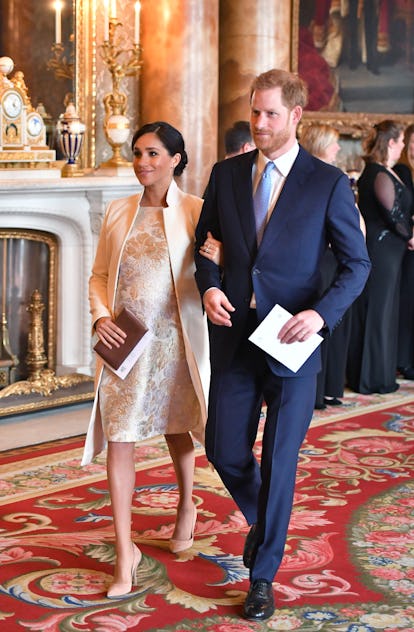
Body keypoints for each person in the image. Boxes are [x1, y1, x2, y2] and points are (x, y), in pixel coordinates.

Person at [194, 68, 371, 622]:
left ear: (296, 116)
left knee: (279, 460)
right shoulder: (225, 176)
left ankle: (262, 578)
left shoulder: (326, 182)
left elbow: (357, 263)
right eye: (255, 112)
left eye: (271, 113)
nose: (260, 123)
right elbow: (206, 247)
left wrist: (319, 315)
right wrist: (209, 288)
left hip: (295, 340)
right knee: (223, 448)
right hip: (235, 337)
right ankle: (264, 526)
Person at [81, 121, 211, 599]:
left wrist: (218, 256)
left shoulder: (197, 211)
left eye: (153, 154)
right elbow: (98, 276)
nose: (142, 162)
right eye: (138, 153)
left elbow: (216, 270)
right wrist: (99, 317)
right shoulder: (118, 211)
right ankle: (124, 555)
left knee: (178, 426)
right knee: (120, 437)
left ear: (176, 159)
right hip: (125, 345)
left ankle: (185, 506)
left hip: (176, 343)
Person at [300, 123, 365, 409]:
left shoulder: (333, 178)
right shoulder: (325, 179)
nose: (339, 148)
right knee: (318, 322)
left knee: (329, 321)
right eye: (335, 143)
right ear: (322, 143)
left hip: (334, 259)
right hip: (323, 260)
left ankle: (327, 388)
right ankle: (317, 390)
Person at [347, 120, 414, 394]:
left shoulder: (389, 171)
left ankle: (382, 373)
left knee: (386, 311)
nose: (402, 148)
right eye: (400, 142)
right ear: (390, 143)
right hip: (381, 250)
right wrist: (410, 234)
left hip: (392, 251)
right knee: (377, 310)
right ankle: (371, 377)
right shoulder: (377, 173)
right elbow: (392, 214)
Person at [394, 124, 414, 379]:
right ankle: (404, 360)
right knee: (407, 302)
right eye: (410, 146)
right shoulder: (402, 172)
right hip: (407, 248)